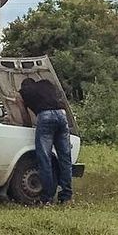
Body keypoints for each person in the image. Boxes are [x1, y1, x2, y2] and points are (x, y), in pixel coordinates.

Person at [18, 77, 73, 205]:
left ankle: (47, 197)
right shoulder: (47, 83)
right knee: (65, 158)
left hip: (45, 117)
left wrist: (26, 126)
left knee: (44, 159)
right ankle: (67, 196)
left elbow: (25, 116)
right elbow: (62, 101)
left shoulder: (22, 93)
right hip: (61, 114)